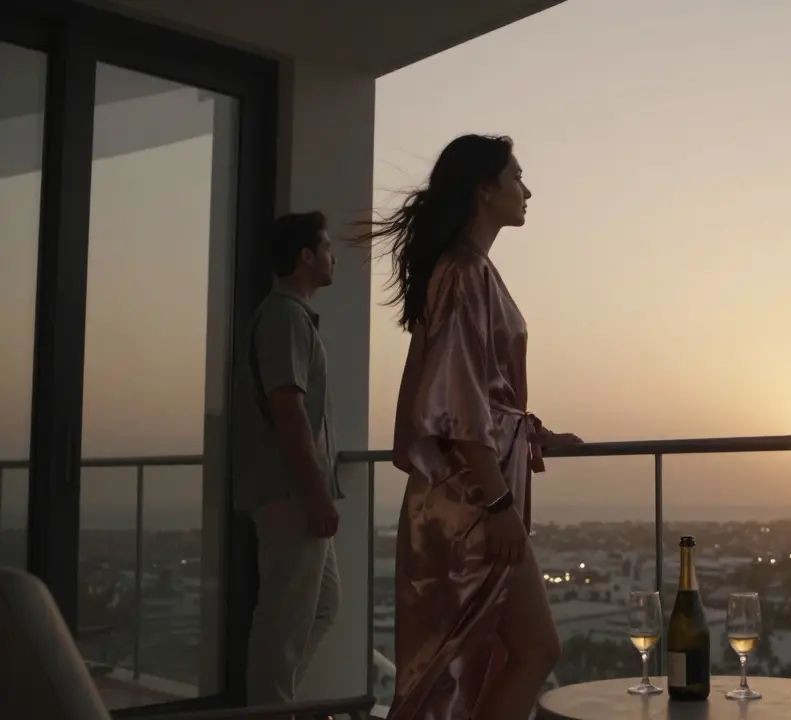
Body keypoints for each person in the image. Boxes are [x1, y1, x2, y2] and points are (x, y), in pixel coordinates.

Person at [361, 135, 582, 720]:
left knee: (478, 658)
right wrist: (500, 502)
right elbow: (457, 404)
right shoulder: (461, 271)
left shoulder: (471, 268)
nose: (527, 189)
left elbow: (481, 390)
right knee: (517, 652)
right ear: (485, 190)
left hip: (474, 491)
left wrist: (532, 433)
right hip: (471, 498)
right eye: (516, 177)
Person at [232, 210, 342, 709]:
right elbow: (287, 407)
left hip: (294, 490)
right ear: (306, 256)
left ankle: (277, 703)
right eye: (325, 246)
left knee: (321, 605)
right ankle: (269, 710)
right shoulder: (283, 317)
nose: (331, 256)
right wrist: (316, 492)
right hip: (291, 493)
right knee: (283, 622)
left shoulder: (291, 317)